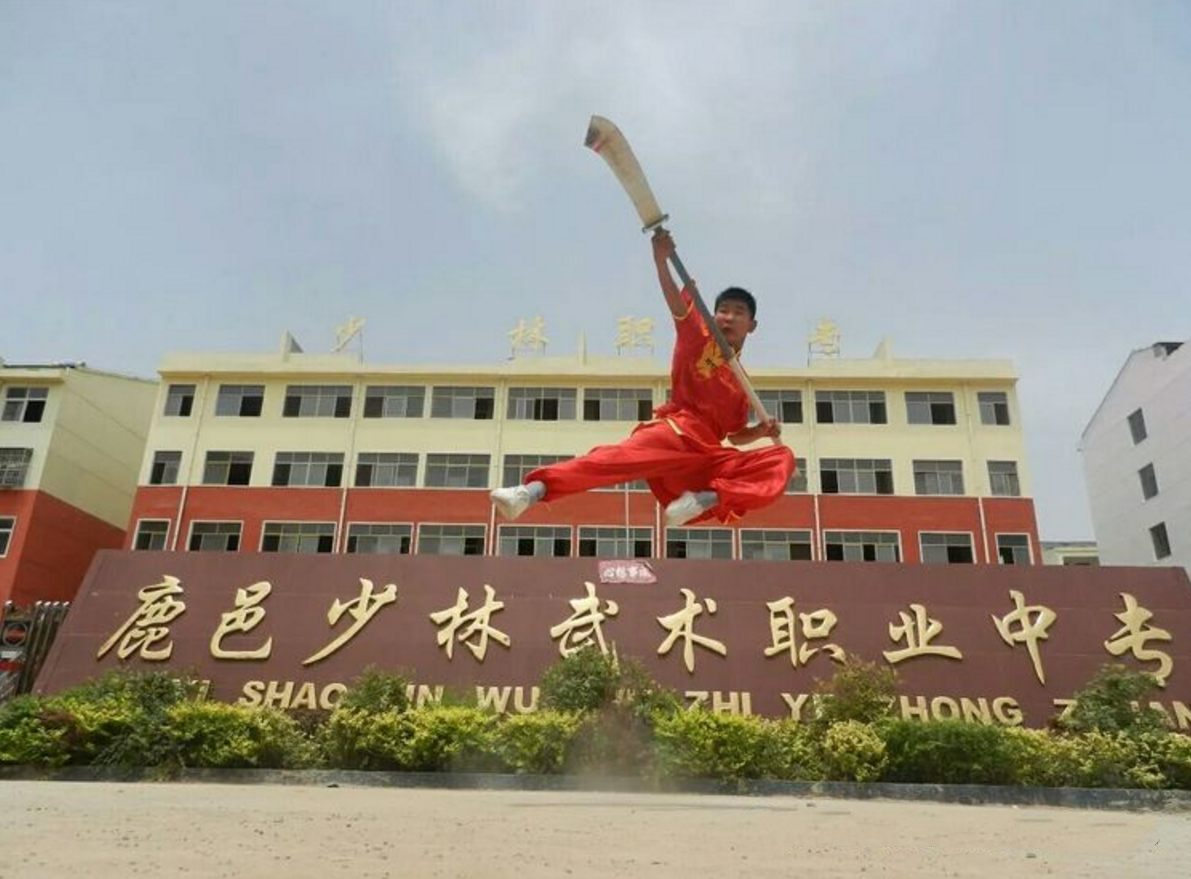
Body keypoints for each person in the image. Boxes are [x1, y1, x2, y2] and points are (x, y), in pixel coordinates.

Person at [490, 230, 795, 527]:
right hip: (673, 433)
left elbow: (734, 433)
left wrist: (759, 432)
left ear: (751, 325)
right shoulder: (698, 339)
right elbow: (676, 304)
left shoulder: (741, 384)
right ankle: (529, 493)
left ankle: (704, 499)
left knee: (782, 460)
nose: (728, 317)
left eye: (738, 313)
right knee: (608, 461)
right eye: (723, 311)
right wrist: (660, 261)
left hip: (705, 458)